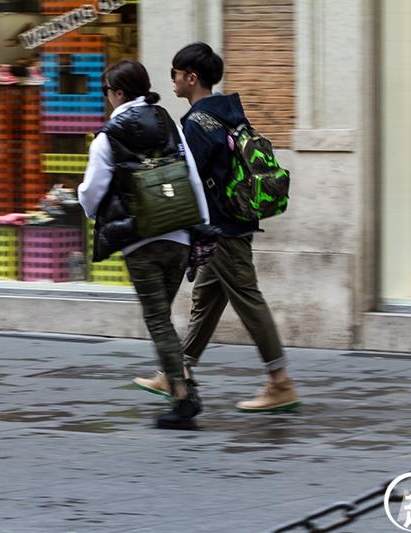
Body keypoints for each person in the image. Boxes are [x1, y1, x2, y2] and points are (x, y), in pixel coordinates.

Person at [132, 42, 300, 413]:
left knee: (248, 299)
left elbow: (187, 178)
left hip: (221, 226)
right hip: (231, 220)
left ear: (191, 78)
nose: (172, 79)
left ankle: (280, 381)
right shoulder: (229, 113)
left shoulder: (196, 123)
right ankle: (177, 371)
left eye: (176, 73)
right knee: (206, 299)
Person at [78, 59, 210, 430]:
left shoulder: (108, 134)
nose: (106, 99)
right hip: (179, 234)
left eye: (107, 92)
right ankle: (180, 378)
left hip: (141, 242)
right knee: (162, 318)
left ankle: (184, 397)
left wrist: (91, 211)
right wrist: (199, 225)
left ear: (118, 92)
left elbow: (92, 192)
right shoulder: (167, 121)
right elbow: (192, 174)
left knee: (157, 319)